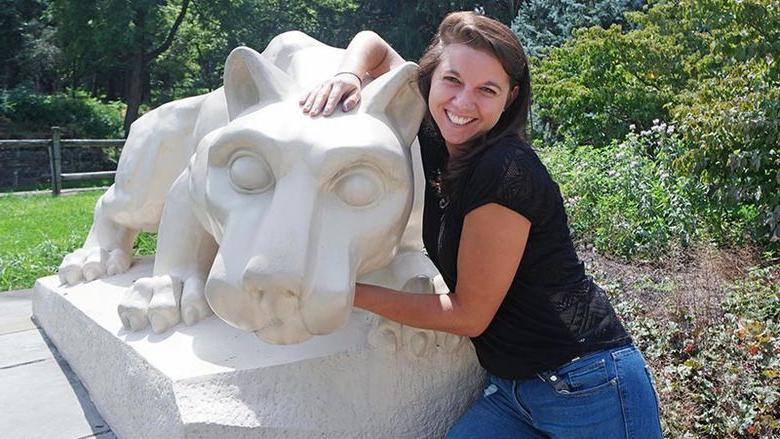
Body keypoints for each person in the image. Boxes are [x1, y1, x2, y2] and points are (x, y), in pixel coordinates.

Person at [300, 11, 663, 438]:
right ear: (430, 78)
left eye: (486, 90)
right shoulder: (441, 134)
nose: (463, 103)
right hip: (514, 389)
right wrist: (350, 76)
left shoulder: (504, 170)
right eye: (452, 80)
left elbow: (468, 314)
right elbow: (373, 44)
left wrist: (346, 291)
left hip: (587, 383)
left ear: (509, 98)